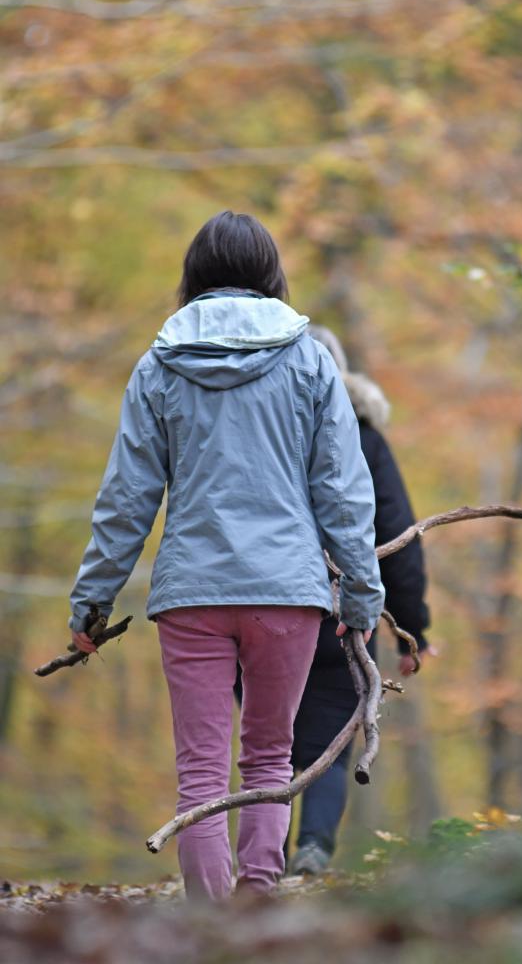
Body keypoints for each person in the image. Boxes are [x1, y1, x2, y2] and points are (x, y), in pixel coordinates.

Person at [67, 211, 384, 901]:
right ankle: (258, 912)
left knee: (201, 771)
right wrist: (362, 596)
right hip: (288, 594)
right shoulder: (309, 361)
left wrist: (91, 605)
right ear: (271, 273)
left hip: (193, 594)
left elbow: (127, 497)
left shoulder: (158, 365)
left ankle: (209, 924)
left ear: (194, 274)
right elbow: (344, 490)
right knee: (272, 756)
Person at [288, 326, 433, 876]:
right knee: (330, 735)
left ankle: (263, 856)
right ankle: (314, 848)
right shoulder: (366, 439)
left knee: (269, 734)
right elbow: (398, 534)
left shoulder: (267, 431)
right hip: (340, 612)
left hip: (260, 601)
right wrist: (413, 629)